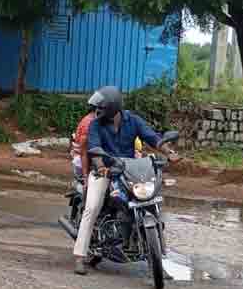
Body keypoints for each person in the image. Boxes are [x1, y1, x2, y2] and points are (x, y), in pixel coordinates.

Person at [74, 86, 178, 275]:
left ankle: (156, 263)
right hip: (105, 171)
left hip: (128, 170)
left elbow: (152, 138)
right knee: (92, 208)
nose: (96, 112)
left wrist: (168, 152)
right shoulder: (96, 125)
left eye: (100, 108)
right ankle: (80, 257)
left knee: (149, 203)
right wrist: (101, 166)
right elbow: (94, 148)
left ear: (112, 108)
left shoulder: (133, 120)